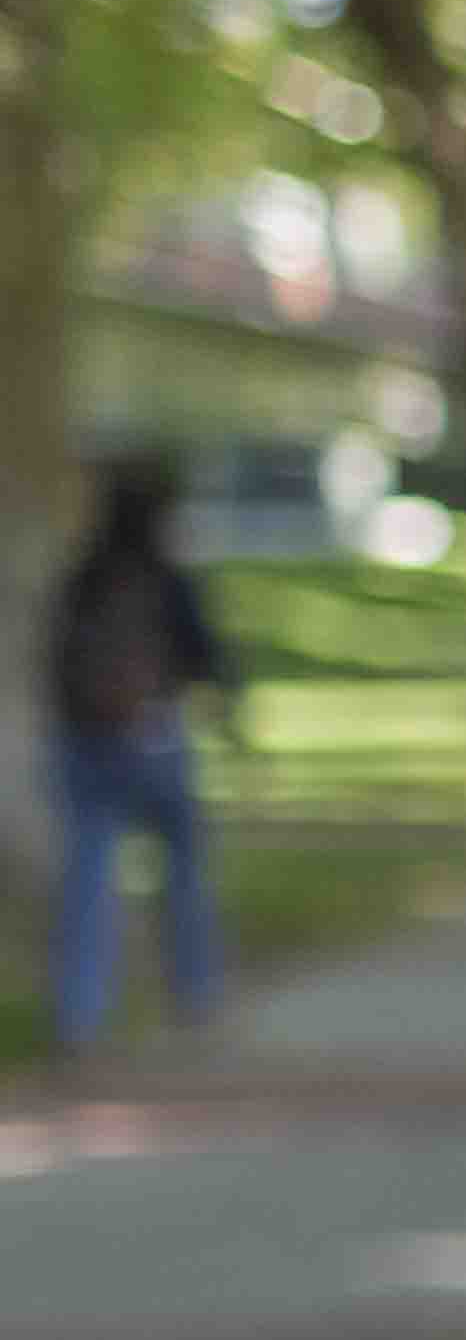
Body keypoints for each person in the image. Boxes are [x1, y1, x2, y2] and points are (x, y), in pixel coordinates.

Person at [37, 451, 233, 1059]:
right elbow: (204, 655)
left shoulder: (82, 576)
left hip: (82, 745)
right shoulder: (165, 577)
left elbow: (52, 662)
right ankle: (195, 995)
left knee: (88, 881)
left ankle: (80, 1015)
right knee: (183, 870)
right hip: (155, 742)